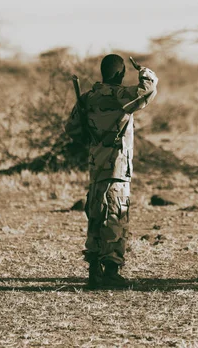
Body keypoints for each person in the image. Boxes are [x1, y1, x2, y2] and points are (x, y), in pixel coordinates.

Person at [65, 54, 158, 288]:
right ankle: (111, 272)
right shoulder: (119, 97)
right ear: (120, 74)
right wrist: (145, 71)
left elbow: (72, 129)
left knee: (96, 216)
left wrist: (93, 139)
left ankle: (94, 270)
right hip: (116, 167)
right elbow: (146, 91)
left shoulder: (87, 98)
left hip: (96, 167)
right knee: (116, 216)